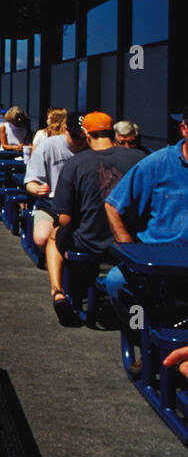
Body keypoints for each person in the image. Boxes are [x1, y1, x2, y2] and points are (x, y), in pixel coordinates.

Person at [103, 106, 188, 343]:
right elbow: (113, 206)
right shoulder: (155, 164)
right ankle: (141, 339)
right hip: (157, 260)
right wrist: (129, 249)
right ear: (184, 129)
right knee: (116, 281)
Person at [49, 112, 142, 326]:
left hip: (89, 242)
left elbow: (65, 219)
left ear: (86, 134)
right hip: (129, 244)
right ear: (112, 132)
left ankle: (58, 293)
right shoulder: (138, 158)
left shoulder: (75, 163)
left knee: (54, 236)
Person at [24, 113, 87, 283]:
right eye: (75, 136)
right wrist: (37, 189)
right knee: (42, 237)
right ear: (66, 130)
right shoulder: (49, 145)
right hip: (50, 204)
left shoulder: (92, 148)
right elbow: (30, 181)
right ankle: (61, 267)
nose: (80, 141)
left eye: (84, 136)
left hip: (81, 208)